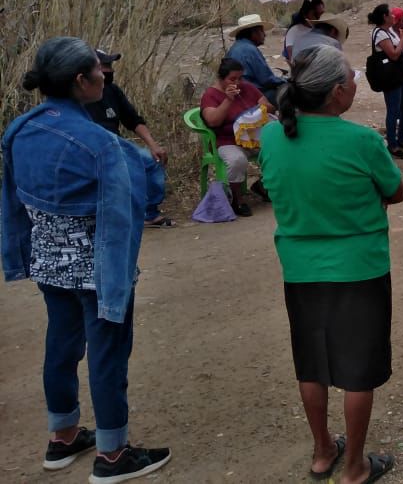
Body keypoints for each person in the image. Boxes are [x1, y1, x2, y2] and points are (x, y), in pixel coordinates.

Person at [1, 37, 171, 482]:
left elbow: (14, 197)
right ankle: (114, 456)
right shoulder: (101, 145)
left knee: (61, 344)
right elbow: (148, 193)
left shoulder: (19, 131)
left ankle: (63, 437)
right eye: (99, 71)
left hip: (48, 261)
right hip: (98, 267)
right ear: (82, 80)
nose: (105, 76)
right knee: (108, 354)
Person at [258, 45, 402, 484]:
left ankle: (323, 452)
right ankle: (355, 467)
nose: (356, 85)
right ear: (338, 93)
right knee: (358, 371)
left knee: (312, 364)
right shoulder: (361, 140)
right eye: (352, 80)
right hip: (359, 269)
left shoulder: (270, 136)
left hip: (300, 270)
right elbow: (395, 192)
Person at [85, 49, 172, 228]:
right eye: (104, 66)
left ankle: (149, 213)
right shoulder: (82, 94)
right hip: (92, 148)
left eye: (110, 66)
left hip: (117, 145)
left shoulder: (113, 91)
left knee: (152, 160)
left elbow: (133, 120)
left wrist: (153, 144)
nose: (108, 71)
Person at [200, 57, 274, 217]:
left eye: (240, 78)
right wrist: (228, 100)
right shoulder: (210, 95)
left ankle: (263, 185)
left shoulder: (247, 88)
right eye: (232, 79)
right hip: (227, 140)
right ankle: (236, 199)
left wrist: (258, 111)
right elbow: (213, 121)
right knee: (237, 161)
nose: (237, 82)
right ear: (221, 78)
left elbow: (269, 106)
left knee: (278, 149)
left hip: (253, 137)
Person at [368, 3, 403, 159]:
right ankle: (393, 144)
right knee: (394, 110)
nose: (394, 16)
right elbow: (394, 54)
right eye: (391, 14)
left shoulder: (388, 32)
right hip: (390, 77)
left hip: (398, 75)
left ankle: (401, 139)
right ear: (385, 17)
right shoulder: (380, 34)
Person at [227, 13, 286, 104]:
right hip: (249, 95)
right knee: (286, 92)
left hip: (238, 93)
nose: (264, 35)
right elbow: (266, 79)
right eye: (262, 31)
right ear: (254, 32)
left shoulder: (235, 47)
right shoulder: (250, 50)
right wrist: (285, 81)